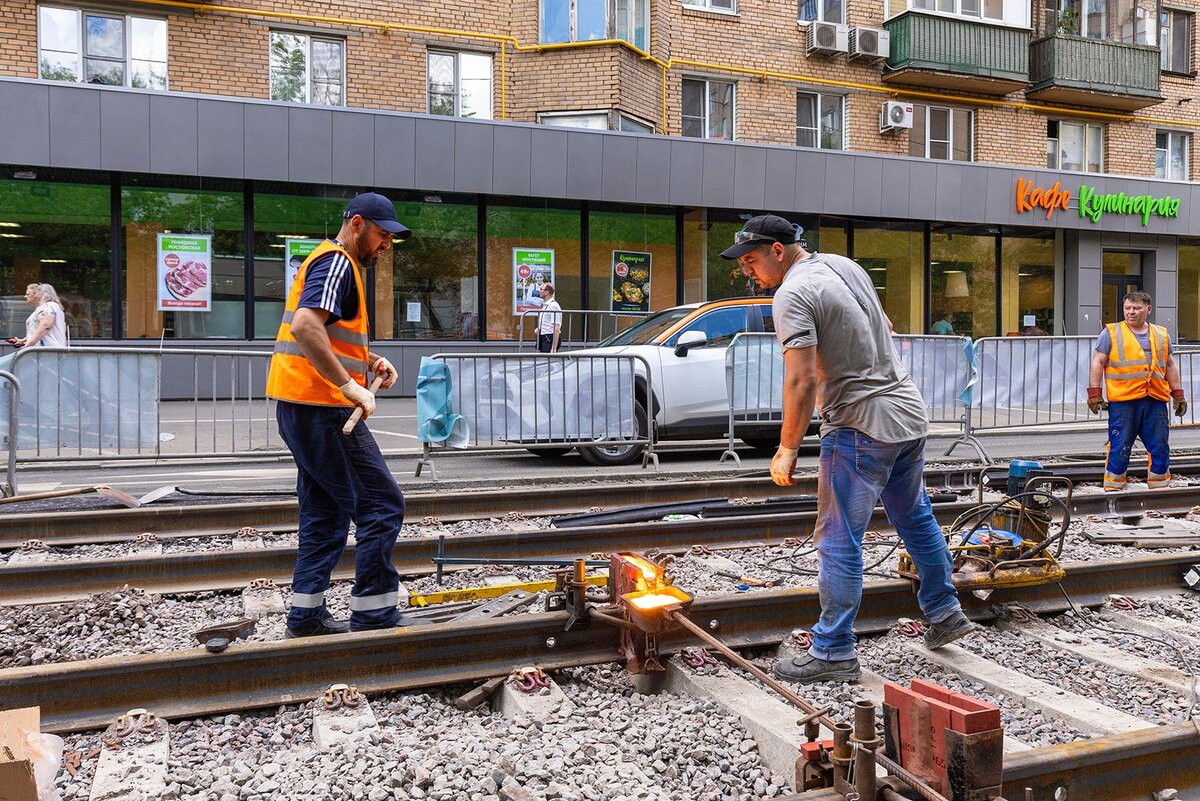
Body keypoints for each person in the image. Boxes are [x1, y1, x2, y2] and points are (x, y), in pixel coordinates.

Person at [722, 214, 971, 684]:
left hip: (859, 425)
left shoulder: (792, 294)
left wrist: (786, 448)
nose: (748, 272)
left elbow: (801, 378)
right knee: (914, 516)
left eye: (752, 261)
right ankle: (944, 610)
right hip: (907, 416)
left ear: (779, 251)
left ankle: (833, 648)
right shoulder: (842, 265)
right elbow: (885, 325)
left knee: (838, 539)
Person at [265, 192, 410, 638]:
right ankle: (374, 614)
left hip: (300, 405)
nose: (386, 245)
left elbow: (325, 333)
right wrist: (348, 386)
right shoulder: (338, 262)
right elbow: (306, 326)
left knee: (325, 513)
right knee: (382, 505)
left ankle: (305, 615)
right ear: (358, 224)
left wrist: (365, 363)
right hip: (323, 409)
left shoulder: (326, 262)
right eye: (382, 235)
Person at [1087, 290, 1185, 491]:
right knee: (1120, 444)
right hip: (1124, 400)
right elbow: (1098, 361)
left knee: (1159, 444)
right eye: (1127, 308)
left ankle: (1159, 486)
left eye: (1136, 308)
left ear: (1148, 309)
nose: (1131, 312)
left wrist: (1178, 394)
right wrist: (1094, 393)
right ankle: (1113, 487)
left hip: (1155, 398)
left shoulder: (1161, 334)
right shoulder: (1111, 332)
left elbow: (1170, 365)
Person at [9, 283, 66, 348]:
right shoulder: (48, 307)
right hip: (45, 351)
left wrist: (29, 344)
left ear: (44, 294)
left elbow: (45, 326)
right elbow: (40, 329)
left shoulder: (49, 306)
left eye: (36, 293)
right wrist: (24, 340)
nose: (35, 296)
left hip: (46, 351)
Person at [537, 282, 562, 353]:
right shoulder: (546, 305)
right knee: (543, 360)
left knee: (548, 361)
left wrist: (553, 348)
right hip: (544, 336)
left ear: (546, 292)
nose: (539, 291)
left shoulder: (553, 306)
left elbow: (556, 327)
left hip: (549, 337)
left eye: (541, 289)